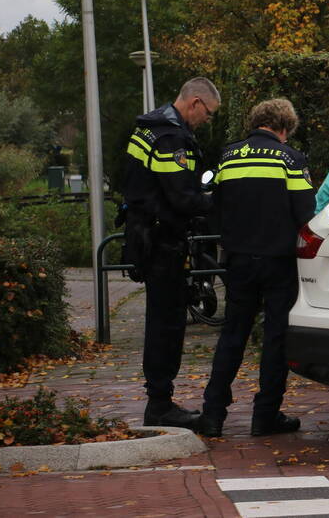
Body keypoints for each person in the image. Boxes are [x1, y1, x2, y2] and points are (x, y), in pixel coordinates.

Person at [197, 98, 316, 437]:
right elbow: (305, 212)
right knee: (275, 337)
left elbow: (213, 205)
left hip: (238, 259)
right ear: (284, 128)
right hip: (278, 261)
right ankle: (265, 415)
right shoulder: (291, 159)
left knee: (232, 334)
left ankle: (213, 414)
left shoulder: (228, 155)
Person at [121, 77, 220, 429]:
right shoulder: (172, 138)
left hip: (146, 234)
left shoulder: (149, 127)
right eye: (207, 114)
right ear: (194, 103)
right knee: (167, 323)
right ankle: (160, 404)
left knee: (161, 320)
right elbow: (182, 197)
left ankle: (159, 399)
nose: (206, 121)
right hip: (162, 241)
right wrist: (216, 200)